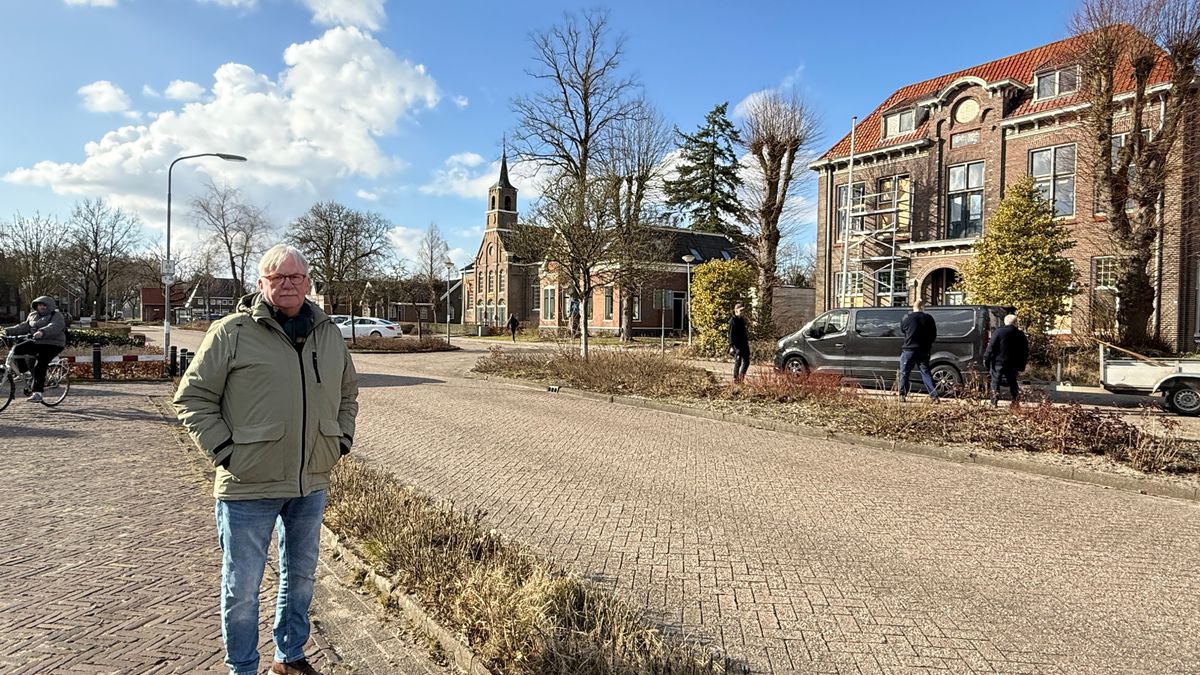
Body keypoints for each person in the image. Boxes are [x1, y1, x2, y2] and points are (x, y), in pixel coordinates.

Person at [174, 244, 359, 675]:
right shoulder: (231, 332)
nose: (287, 284)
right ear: (261, 285)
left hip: (310, 480)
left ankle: (290, 657)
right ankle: (242, 667)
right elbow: (193, 398)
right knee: (241, 587)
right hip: (247, 485)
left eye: (295, 277)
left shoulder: (328, 332)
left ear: (309, 283)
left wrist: (340, 440)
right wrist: (226, 453)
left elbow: (348, 392)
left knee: (301, 578)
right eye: (277, 277)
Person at [2, 296, 67, 402]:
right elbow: (24, 326)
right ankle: (24, 372)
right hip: (37, 342)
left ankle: (38, 393)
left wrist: (42, 332)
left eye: (44, 305)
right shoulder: (32, 315)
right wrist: (7, 331)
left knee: (41, 363)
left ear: (49, 306)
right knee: (17, 349)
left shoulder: (56, 315)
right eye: (39, 305)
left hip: (53, 343)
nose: (41, 307)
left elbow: (55, 326)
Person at [984, 313, 1030, 407]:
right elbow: (1025, 350)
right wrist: (1022, 365)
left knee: (995, 382)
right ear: (1015, 322)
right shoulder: (1020, 334)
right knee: (1013, 382)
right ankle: (1015, 401)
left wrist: (986, 359)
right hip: (1013, 363)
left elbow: (991, 347)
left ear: (1005, 322)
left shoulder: (998, 332)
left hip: (999, 362)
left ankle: (994, 402)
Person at [899, 299, 938, 403]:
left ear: (913, 307)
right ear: (922, 307)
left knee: (904, 372)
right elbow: (933, 334)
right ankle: (934, 396)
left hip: (909, 349)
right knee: (925, 372)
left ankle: (902, 395)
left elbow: (903, 330)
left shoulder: (907, 318)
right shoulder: (929, 318)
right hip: (924, 350)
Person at [728, 302, 750, 383]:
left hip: (744, 344)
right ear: (736, 311)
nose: (742, 312)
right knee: (738, 361)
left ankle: (741, 378)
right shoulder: (733, 321)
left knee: (746, 361)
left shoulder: (742, 320)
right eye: (741, 310)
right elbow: (730, 334)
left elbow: (744, 333)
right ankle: (736, 379)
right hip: (737, 345)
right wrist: (731, 346)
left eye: (743, 310)